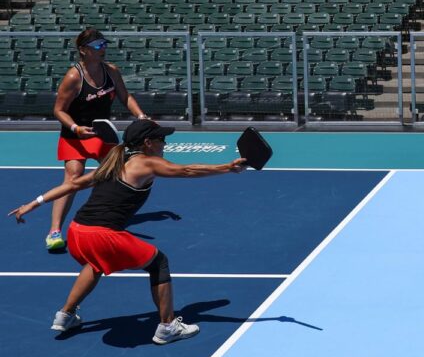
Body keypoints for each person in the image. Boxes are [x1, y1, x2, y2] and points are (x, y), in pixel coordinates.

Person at [9, 119, 246, 345]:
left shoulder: (114, 162)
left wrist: (33, 203)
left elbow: (73, 184)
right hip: (101, 234)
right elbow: (186, 170)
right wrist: (226, 167)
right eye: (161, 139)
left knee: (95, 264)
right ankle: (167, 326)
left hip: (77, 231)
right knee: (159, 262)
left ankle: (65, 315)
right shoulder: (145, 163)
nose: (165, 143)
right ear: (147, 143)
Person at [47, 28, 149, 253]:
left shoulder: (111, 71)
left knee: (119, 172)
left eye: (104, 44)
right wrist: (75, 127)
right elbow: (58, 110)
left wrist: (141, 116)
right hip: (75, 134)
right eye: (97, 46)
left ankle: (104, 217)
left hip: (101, 135)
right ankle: (55, 231)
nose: (102, 49)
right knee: (73, 177)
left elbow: (125, 96)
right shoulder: (74, 77)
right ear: (83, 51)